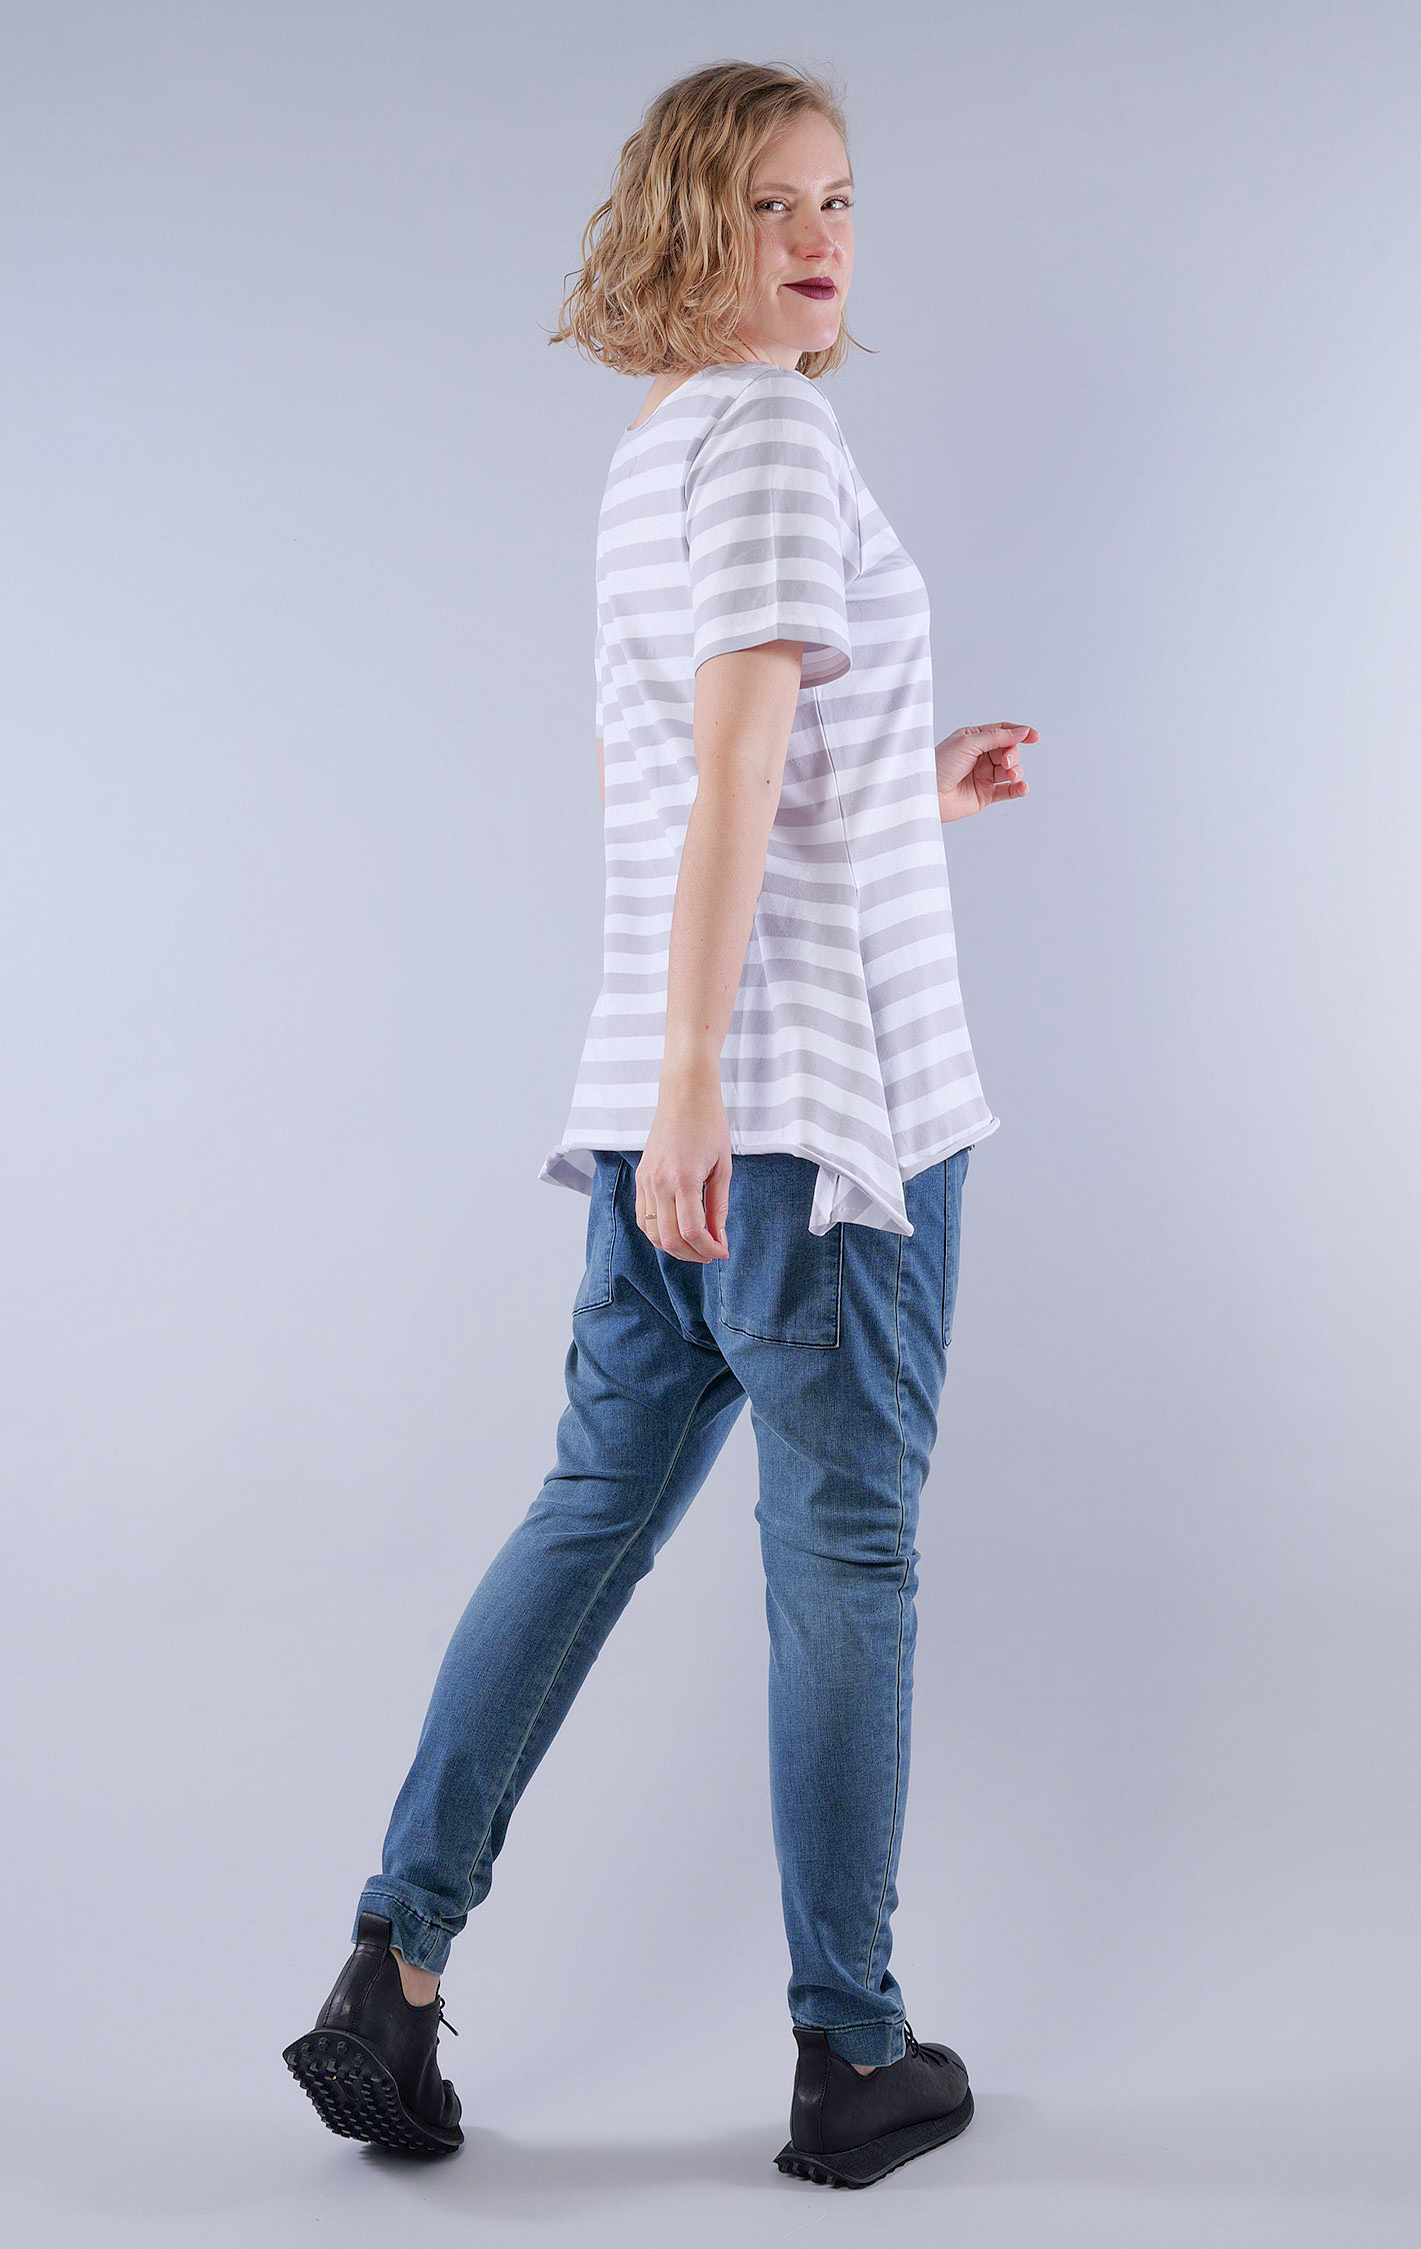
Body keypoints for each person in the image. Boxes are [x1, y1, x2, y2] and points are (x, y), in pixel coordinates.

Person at [283, 58, 1034, 2191]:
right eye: (772, 202)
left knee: (589, 1510)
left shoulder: (661, 445)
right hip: (816, 1120)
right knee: (848, 1558)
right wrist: (717, 1076)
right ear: (690, 223)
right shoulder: (777, 434)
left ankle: (391, 1969)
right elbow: (724, 773)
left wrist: (912, 798)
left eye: (842, 199)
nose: (820, 238)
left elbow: (706, 785)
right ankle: (851, 2055)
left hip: (663, 1109)